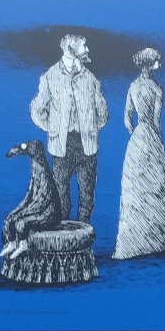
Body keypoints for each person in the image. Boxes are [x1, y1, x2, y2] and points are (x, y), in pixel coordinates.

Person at [30, 33, 108, 224]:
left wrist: (90, 129)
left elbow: (103, 113)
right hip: (61, 146)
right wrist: (54, 129)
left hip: (86, 145)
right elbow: (37, 111)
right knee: (61, 199)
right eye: (83, 46)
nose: (87, 49)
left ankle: (84, 234)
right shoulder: (50, 76)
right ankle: (62, 236)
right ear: (71, 49)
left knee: (87, 198)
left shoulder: (91, 78)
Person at [113, 48, 165, 260]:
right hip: (151, 137)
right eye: (157, 61)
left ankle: (134, 241)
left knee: (135, 188)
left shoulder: (133, 86)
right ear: (149, 63)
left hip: (137, 138)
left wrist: (135, 133)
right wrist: (156, 140)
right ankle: (154, 241)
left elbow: (127, 117)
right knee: (155, 185)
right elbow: (156, 121)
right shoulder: (157, 88)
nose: (159, 64)